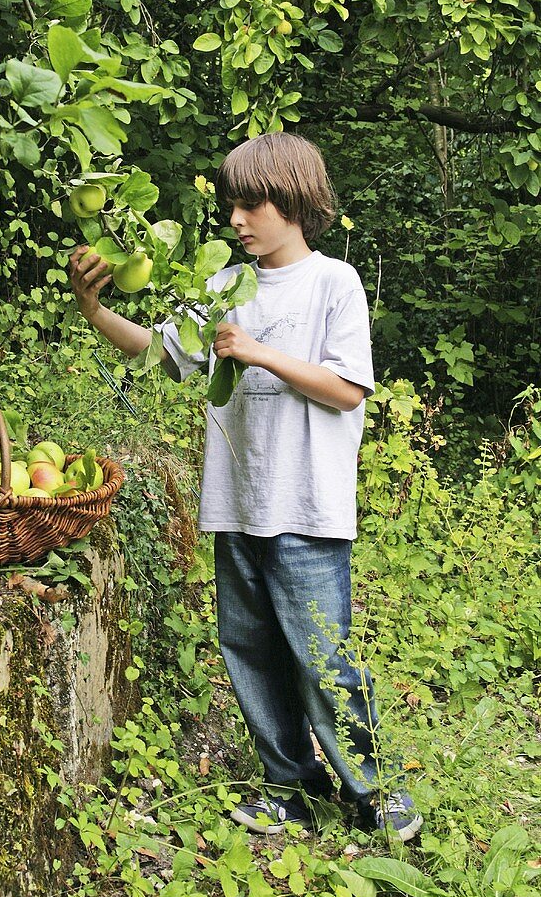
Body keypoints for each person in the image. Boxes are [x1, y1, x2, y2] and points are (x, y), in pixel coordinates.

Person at [69, 132, 423, 842]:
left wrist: (258, 351)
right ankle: (289, 788)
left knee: (324, 661)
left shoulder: (332, 283)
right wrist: (94, 309)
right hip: (238, 506)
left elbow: (348, 390)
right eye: (231, 205)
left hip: (308, 510)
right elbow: (164, 354)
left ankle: (374, 792)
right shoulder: (227, 286)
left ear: (293, 200)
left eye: (249, 204)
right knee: (250, 652)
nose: (235, 220)